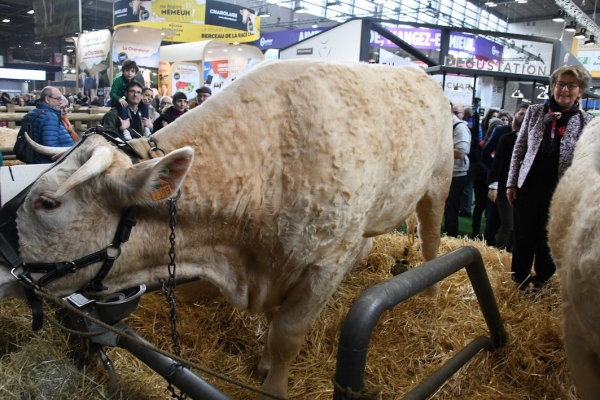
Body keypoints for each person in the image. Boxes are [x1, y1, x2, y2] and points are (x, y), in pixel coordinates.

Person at [507, 65, 594, 290]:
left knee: (550, 236)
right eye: (560, 84)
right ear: (553, 86)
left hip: (561, 190)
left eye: (571, 86)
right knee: (523, 234)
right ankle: (520, 279)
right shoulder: (535, 111)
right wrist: (511, 182)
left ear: (580, 91)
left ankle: (542, 280)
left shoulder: (587, 120)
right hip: (528, 184)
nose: (564, 90)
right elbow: (519, 148)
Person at [487, 110, 526, 251]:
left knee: (516, 226)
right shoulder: (507, 139)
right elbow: (497, 163)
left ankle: (509, 254)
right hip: (505, 188)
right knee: (508, 224)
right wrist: (493, 186)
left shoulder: (535, 144)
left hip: (523, 190)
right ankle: (500, 255)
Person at [21, 86, 75, 164]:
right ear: (47, 99)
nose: (60, 102)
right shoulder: (50, 116)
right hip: (49, 165)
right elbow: (51, 148)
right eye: (58, 99)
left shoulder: (31, 113)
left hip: (35, 161)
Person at [472, 117, 503, 241]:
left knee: (490, 210)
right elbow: (479, 160)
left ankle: (488, 235)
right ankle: (475, 232)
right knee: (479, 207)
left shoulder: (501, 145)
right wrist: (491, 169)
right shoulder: (483, 144)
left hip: (493, 180)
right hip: (482, 179)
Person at [444, 103, 471, 237]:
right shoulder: (444, 125)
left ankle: (450, 239)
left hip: (456, 175)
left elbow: (461, 152)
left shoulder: (459, 127)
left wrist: (436, 150)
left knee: (451, 209)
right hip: (444, 174)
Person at [109, 59, 150, 136]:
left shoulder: (135, 82)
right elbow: (112, 93)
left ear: (135, 73)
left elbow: (140, 91)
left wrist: (143, 98)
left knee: (145, 105)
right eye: (127, 70)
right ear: (123, 71)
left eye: (132, 71)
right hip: (117, 101)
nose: (129, 73)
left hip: (128, 101)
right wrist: (119, 99)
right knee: (123, 106)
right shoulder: (117, 81)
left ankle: (146, 127)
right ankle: (125, 130)